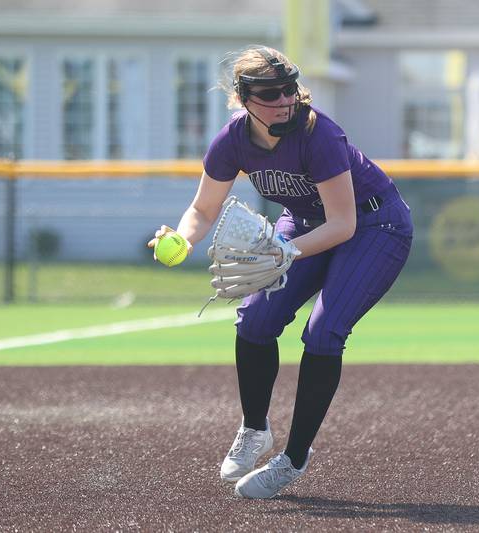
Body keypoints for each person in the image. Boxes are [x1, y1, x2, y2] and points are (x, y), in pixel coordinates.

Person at [148, 45, 413, 499]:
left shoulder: (318, 133)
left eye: (290, 88)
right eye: (270, 93)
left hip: (374, 225)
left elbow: (343, 224)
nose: (285, 100)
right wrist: (183, 239)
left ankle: (292, 458)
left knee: (324, 331)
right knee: (255, 320)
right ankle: (255, 430)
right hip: (306, 223)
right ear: (242, 98)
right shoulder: (232, 140)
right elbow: (203, 209)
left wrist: (283, 252)